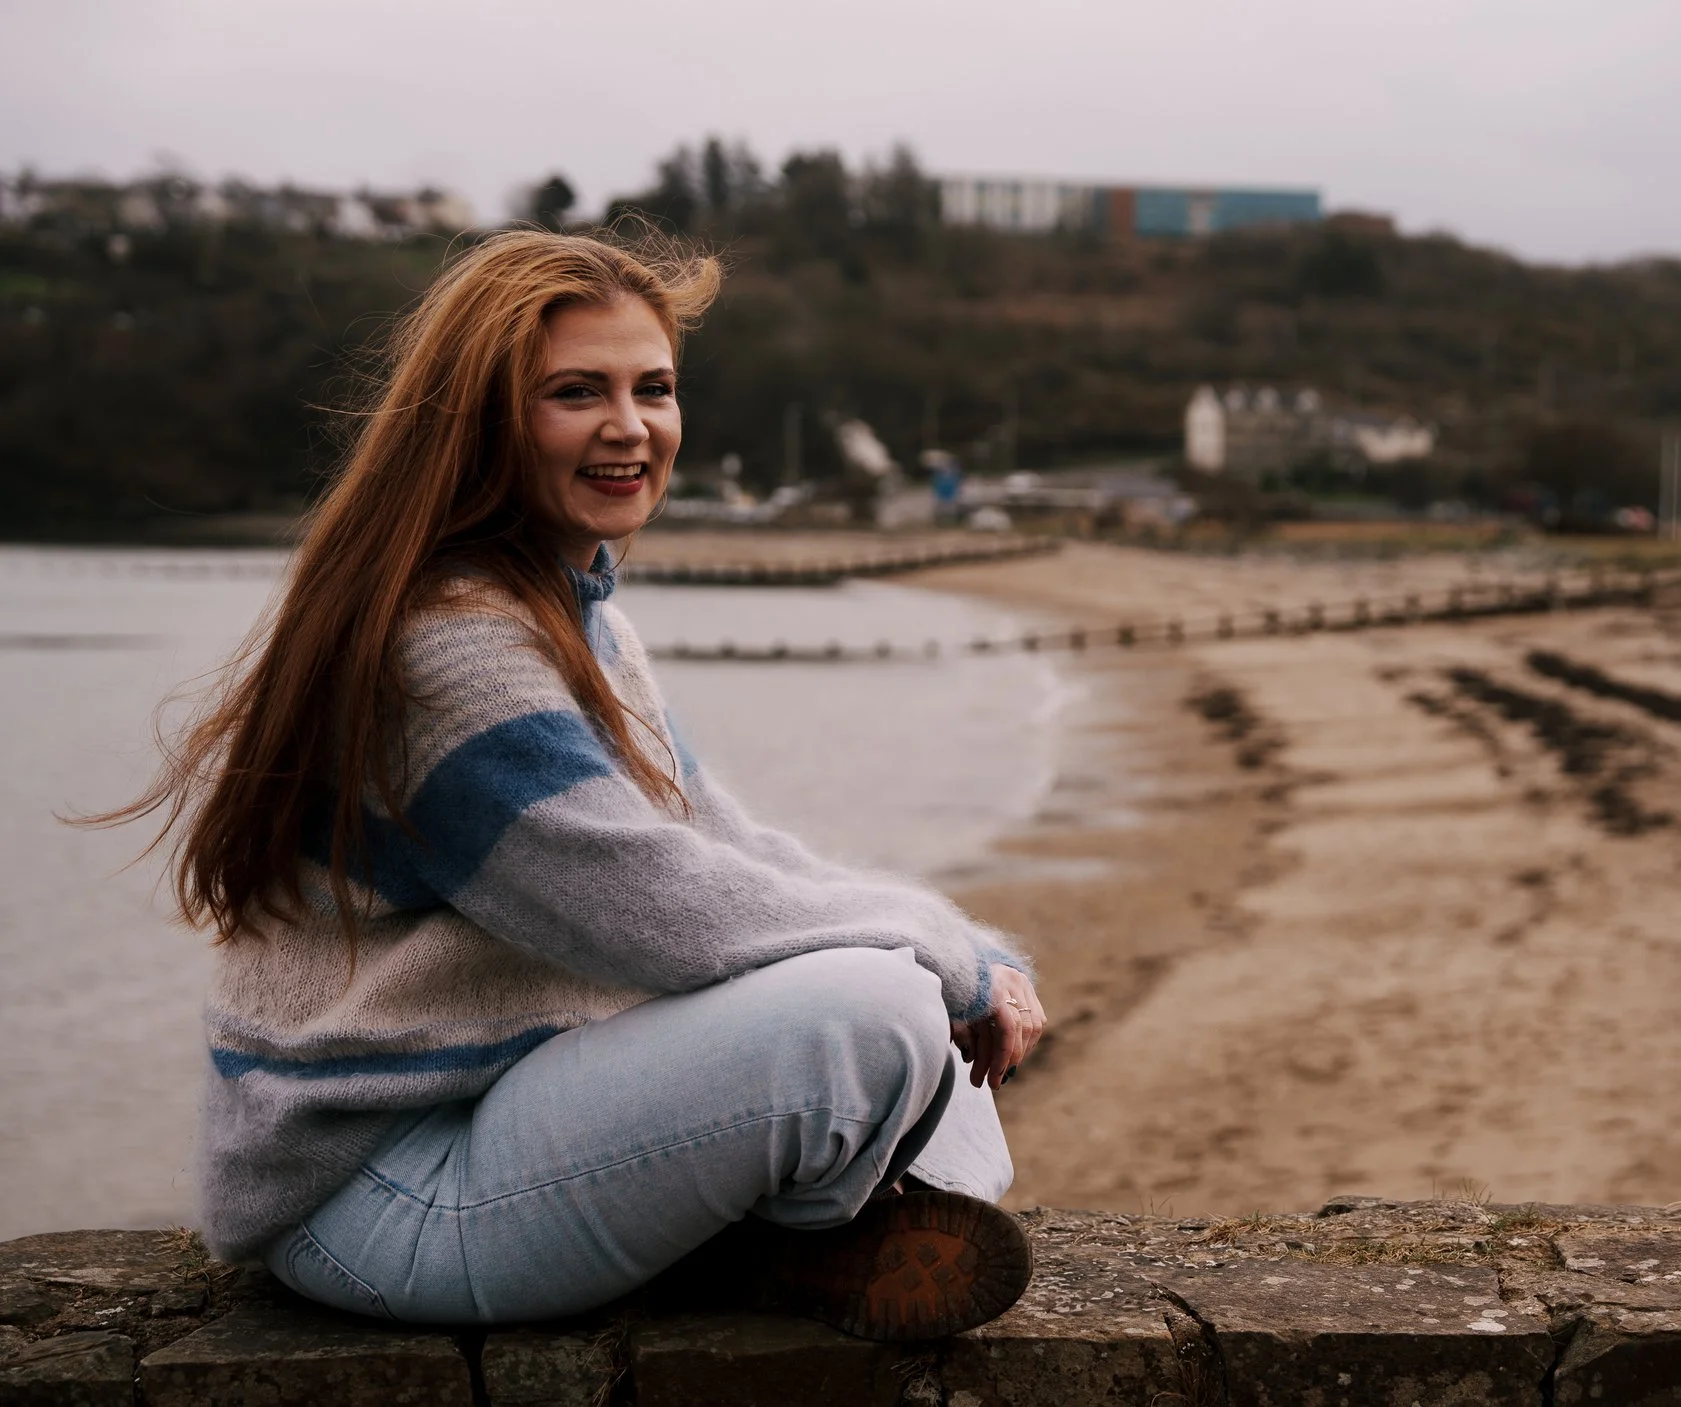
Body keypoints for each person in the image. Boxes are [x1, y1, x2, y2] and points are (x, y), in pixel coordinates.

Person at [94, 229, 1047, 1338]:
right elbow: (663, 910)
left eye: (655, 389)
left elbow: (727, 848)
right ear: (482, 418)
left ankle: (792, 1236)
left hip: (504, 1111)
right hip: (373, 1196)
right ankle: (796, 1239)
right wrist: (932, 957)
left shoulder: (573, 614)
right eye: (575, 392)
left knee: (923, 1023)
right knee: (875, 1012)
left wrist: (958, 953)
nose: (630, 427)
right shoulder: (450, 648)